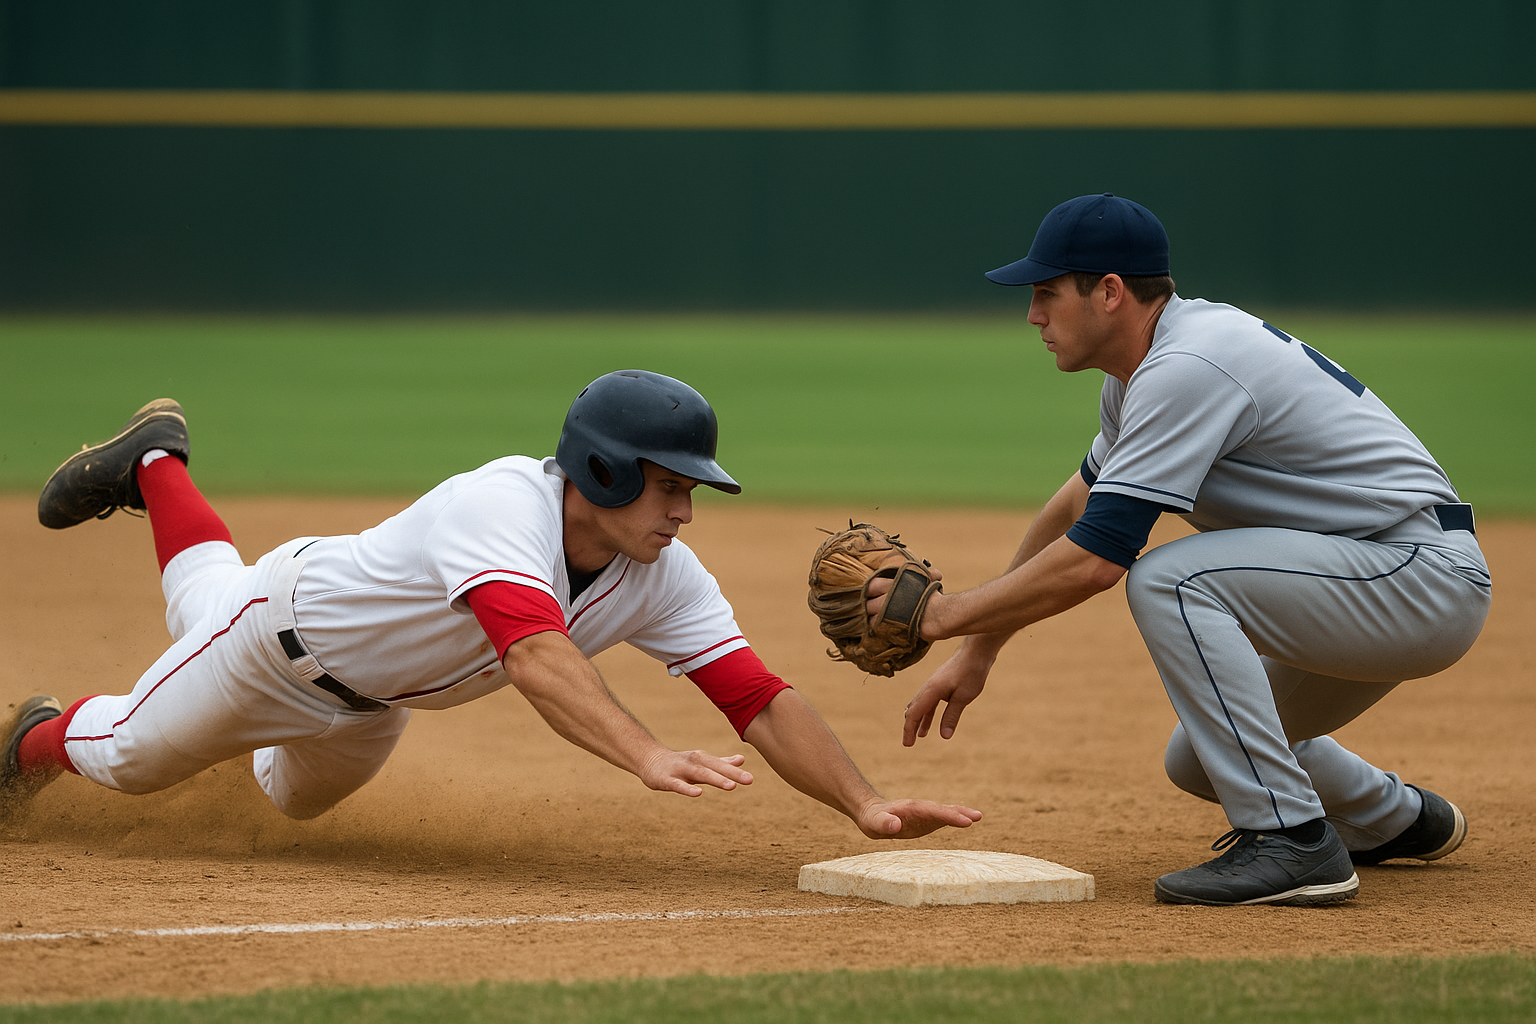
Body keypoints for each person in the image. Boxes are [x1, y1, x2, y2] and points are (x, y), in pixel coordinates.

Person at [1, 370, 982, 845]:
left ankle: (155, 462)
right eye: (667, 483)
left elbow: (757, 696)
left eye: (692, 487)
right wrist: (644, 751)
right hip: (275, 639)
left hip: (366, 706)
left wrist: (864, 801)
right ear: (599, 470)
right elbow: (533, 656)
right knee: (132, 753)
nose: (684, 507)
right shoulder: (499, 506)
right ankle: (29, 739)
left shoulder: (661, 567)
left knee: (285, 792)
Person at [877, 194, 1490, 906]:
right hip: (1368, 579)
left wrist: (943, 615)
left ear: (1108, 293)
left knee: (1172, 578)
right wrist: (977, 647)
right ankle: (1394, 820)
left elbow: (1095, 560)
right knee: (1203, 757)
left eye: (1046, 293)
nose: (1033, 315)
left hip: (1415, 579)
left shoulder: (1188, 364)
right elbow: (1075, 504)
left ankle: (1292, 842)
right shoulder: (1141, 373)